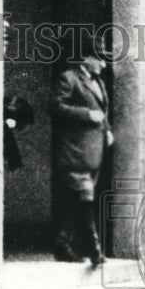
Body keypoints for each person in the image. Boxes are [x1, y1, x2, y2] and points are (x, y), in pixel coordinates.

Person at [51, 33, 113, 266]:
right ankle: (94, 250)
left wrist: (107, 129)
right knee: (85, 200)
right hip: (75, 151)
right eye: (99, 58)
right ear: (85, 58)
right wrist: (87, 115)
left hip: (94, 152)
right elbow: (56, 107)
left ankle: (64, 245)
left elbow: (102, 110)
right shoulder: (69, 78)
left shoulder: (99, 82)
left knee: (76, 201)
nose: (103, 64)